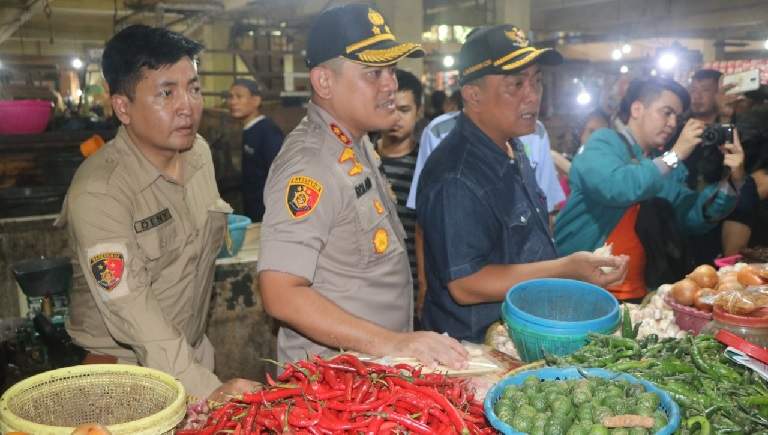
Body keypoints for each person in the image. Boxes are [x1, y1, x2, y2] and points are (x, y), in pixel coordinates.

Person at [256, 4, 468, 368]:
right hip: (334, 386)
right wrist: (394, 343)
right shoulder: (310, 164)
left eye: (391, 70)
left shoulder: (355, 140)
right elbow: (280, 294)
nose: (391, 84)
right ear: (324, 81)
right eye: (373, 73)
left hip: (373, 370)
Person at [55, 25, 260, 400]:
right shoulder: (100, 191)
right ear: (123, 107)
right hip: (122, 378)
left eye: (193, 88)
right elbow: (132, 309)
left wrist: (198, 373)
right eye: (166, 93)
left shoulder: (198, 154)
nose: (187, 106)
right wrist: (206, 390)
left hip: (190, 354)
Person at [416, 24, 628, 342]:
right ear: (473, 95)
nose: (532, 96)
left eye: (536, 81)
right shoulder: (456, 174)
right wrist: (565, 269)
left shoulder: (511, 145)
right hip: (473, 346)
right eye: (516, 84)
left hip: (520, 329)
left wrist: (572, 275)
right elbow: (466, 284)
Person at [555, 77, 745, 300]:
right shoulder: (604, 142)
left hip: (638, 295)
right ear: (637, 108)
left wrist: (733, 180)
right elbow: (616, 187)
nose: (673, 123)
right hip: (582, 289)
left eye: (677, 116)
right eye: (666, 112)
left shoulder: (663, 164)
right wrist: (674, 156)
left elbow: (691, 215)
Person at [375, 69, 422, 314]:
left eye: (404, 110)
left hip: (415, 283)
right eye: (390, 108)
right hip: (372, 286)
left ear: (419, 112)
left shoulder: (426, 164)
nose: (396, 118)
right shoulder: (361, 160)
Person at [228, 78, 284, 222]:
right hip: (253, 212)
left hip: (267, 217)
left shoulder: (268, 132)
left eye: (239, 96)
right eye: (231, 97)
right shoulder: (249, 130)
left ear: (256, 101)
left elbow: (280, 177)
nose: (233, 102)